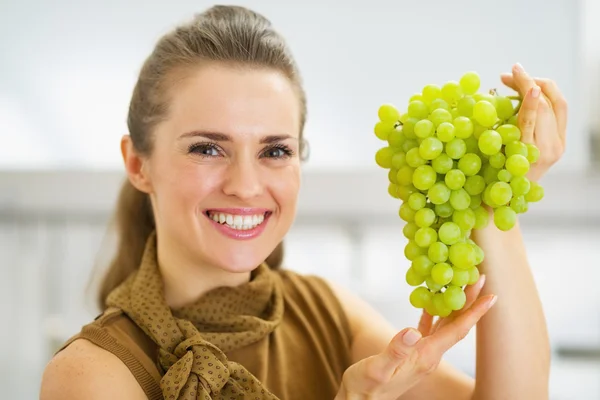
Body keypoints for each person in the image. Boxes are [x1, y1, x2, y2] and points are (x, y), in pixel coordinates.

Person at [39, 5, 567, 400]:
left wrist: (492, 202)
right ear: (138, 164)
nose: (246, 185)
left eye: (274, 150)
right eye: (207, 148)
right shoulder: (93, 373)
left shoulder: (323, 312)